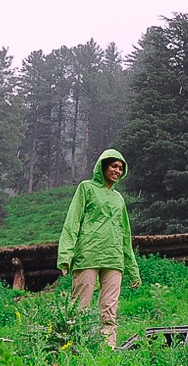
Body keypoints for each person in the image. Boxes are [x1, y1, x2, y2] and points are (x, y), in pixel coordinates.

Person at [57, 148, 141, 348]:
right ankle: (76, 349)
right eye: (114, 166)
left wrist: (133, 270)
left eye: (121, 168)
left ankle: (107, 349)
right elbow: (72, 221)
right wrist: (65, 255)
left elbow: (125, 234)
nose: (117, 171)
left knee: (110, 309)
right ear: (102, 166)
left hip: (114, 258)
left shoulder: (118, 198)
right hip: (88, 255)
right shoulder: (86, 188)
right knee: (79, 308)